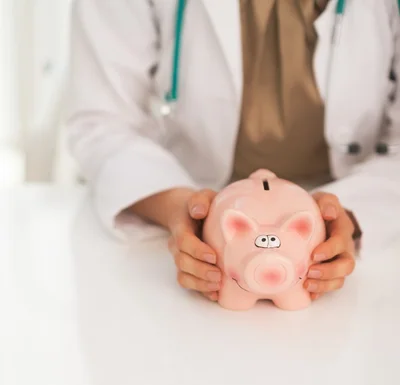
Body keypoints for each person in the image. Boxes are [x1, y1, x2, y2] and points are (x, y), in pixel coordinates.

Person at [66, 0, 400, 302]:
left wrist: (344, 216)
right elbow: (103, 121)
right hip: (182, 199)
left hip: (355, 198)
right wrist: (180, 208)